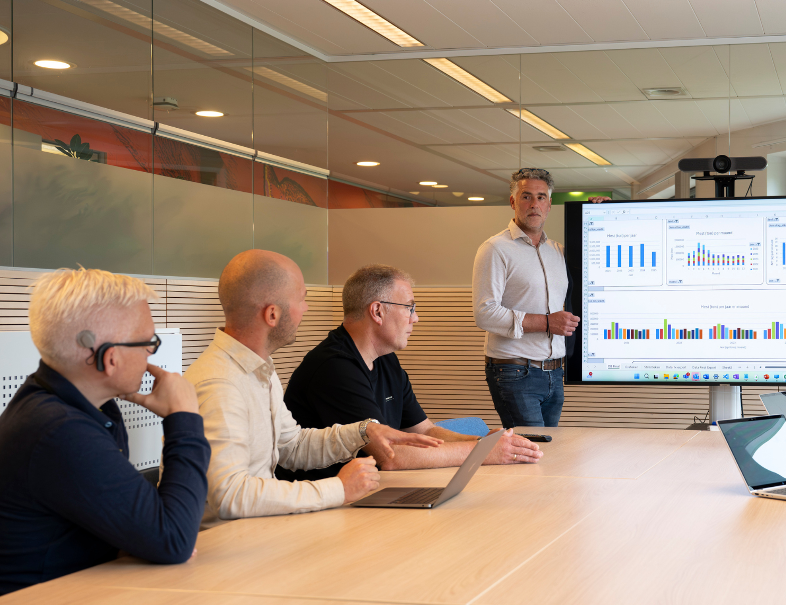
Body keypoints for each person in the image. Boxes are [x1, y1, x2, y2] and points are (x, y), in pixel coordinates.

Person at [186, 250, 440, 529]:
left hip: (257, 534)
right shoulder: (220, 383)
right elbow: (231, 496)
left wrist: (363, 431)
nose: (305, 309)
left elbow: (291, 445)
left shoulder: (258, 370)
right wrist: (338, 489)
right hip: (221, 548)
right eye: (301, 299)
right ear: (272, 314)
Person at [0, 268, 210, 596]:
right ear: (109, 358)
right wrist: (184, 417)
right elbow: (175, 540)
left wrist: (147, 538)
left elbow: (150, 532)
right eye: (148, 343)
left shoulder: (89, 409)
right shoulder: (60, 431)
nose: (150, 354)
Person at [282, 265, 542, 478]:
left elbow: (424, 432)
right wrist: (482, 452)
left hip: (372, 496)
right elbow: (392, 457)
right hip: (326, 511)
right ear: (377, 311)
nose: (415, 318)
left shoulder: (386, 360)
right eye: (409, 307)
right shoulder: (334, 368)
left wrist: (483, 441)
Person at [473, 168, 580, 427]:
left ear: (549, 204)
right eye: (526, 197)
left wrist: (603, 214)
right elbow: (484, 313)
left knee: (549, 451)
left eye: (541, 197)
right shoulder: (495, 249)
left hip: (554, 371)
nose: (534, 204)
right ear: (513, 202)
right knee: (532, 452)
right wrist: (546, 322)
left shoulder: (558, 252)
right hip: (514, 371)